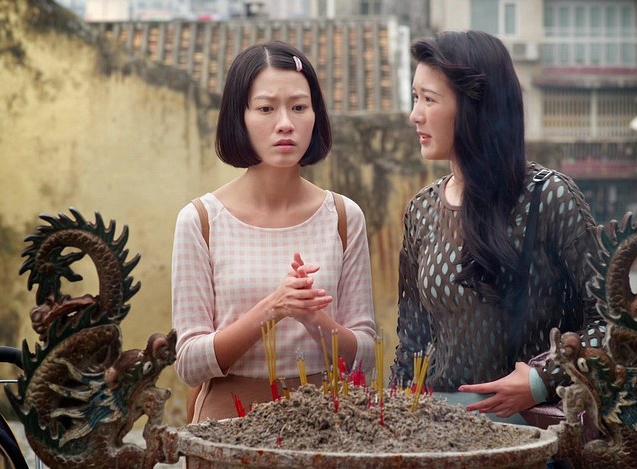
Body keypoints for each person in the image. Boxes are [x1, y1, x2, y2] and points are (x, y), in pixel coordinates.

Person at [391, 30, 605, 425]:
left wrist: (542, 379)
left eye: (429, 99)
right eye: (415, 97)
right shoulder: (422, 210)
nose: (415, 115)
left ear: (474, 108)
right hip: (441, 429)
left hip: (532, 429)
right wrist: (392, 421)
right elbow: (412, 344)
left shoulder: (549, 197)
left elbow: (609, 322)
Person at [172, 41, 376, 424]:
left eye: (299, 107)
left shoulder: (343, 217)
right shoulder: (201, 220)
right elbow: (189, 362)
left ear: (316, 116)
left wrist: (314, 319)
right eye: (266, 109)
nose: (285, 123)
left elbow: (366, 356)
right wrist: (273, 308)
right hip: (227, 427)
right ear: (240, 117)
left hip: (327, 426)